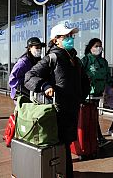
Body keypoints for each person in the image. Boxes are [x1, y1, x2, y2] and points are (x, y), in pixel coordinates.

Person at [24, 24, 89, 178]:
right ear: (55, 40)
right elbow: (29, 77)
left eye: (71, 36)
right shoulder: (52, 58)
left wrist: (80, 97)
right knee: (61, 144)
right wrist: (45, 86)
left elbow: (84, 82)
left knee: (65, 143)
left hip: (72, 109)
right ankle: (62, 173)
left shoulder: (76, 60)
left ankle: (62, 172)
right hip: (57, 111)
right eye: (66, 36)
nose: (70, 39)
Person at [81, 38, 113, 147]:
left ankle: (96, 138)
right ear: (90, 48)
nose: (99, 48)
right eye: (96, 46)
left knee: (93, 116)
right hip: (87, 94)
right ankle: (97, 138)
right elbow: (79, 74)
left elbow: (108, 76)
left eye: (100, 46)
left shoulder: (103, 62)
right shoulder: (86, 60)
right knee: (90, 116)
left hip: (98, 93)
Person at [8, 37, 45, 104]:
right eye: (36, 48)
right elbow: (12, 80)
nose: (39, 50)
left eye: (40, 48)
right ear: (29, 48)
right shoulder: (23, 62)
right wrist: (25, 84)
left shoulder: (39, 61)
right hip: (22, 95)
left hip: (33, 94)